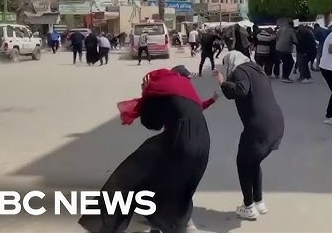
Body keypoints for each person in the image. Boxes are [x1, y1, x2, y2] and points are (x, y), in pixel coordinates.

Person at [79, 69, 217, 233]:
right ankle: (173, 225)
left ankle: (103, 224)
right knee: (177, 185)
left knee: (131, 176)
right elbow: (193, 109)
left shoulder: (156, 91)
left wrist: (146, 94)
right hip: (203, 144)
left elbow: (152, 123)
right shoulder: (182, 85)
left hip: (178, 142)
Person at [214, 51, 284, 220]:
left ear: (232, 62)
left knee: (243, 164)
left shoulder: (240, 71)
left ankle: (248, 206)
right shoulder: (257, 69)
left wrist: (223, 84)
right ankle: (259, 201)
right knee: (253, 162)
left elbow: (240, 90)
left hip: (258, 128)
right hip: (275, 124)